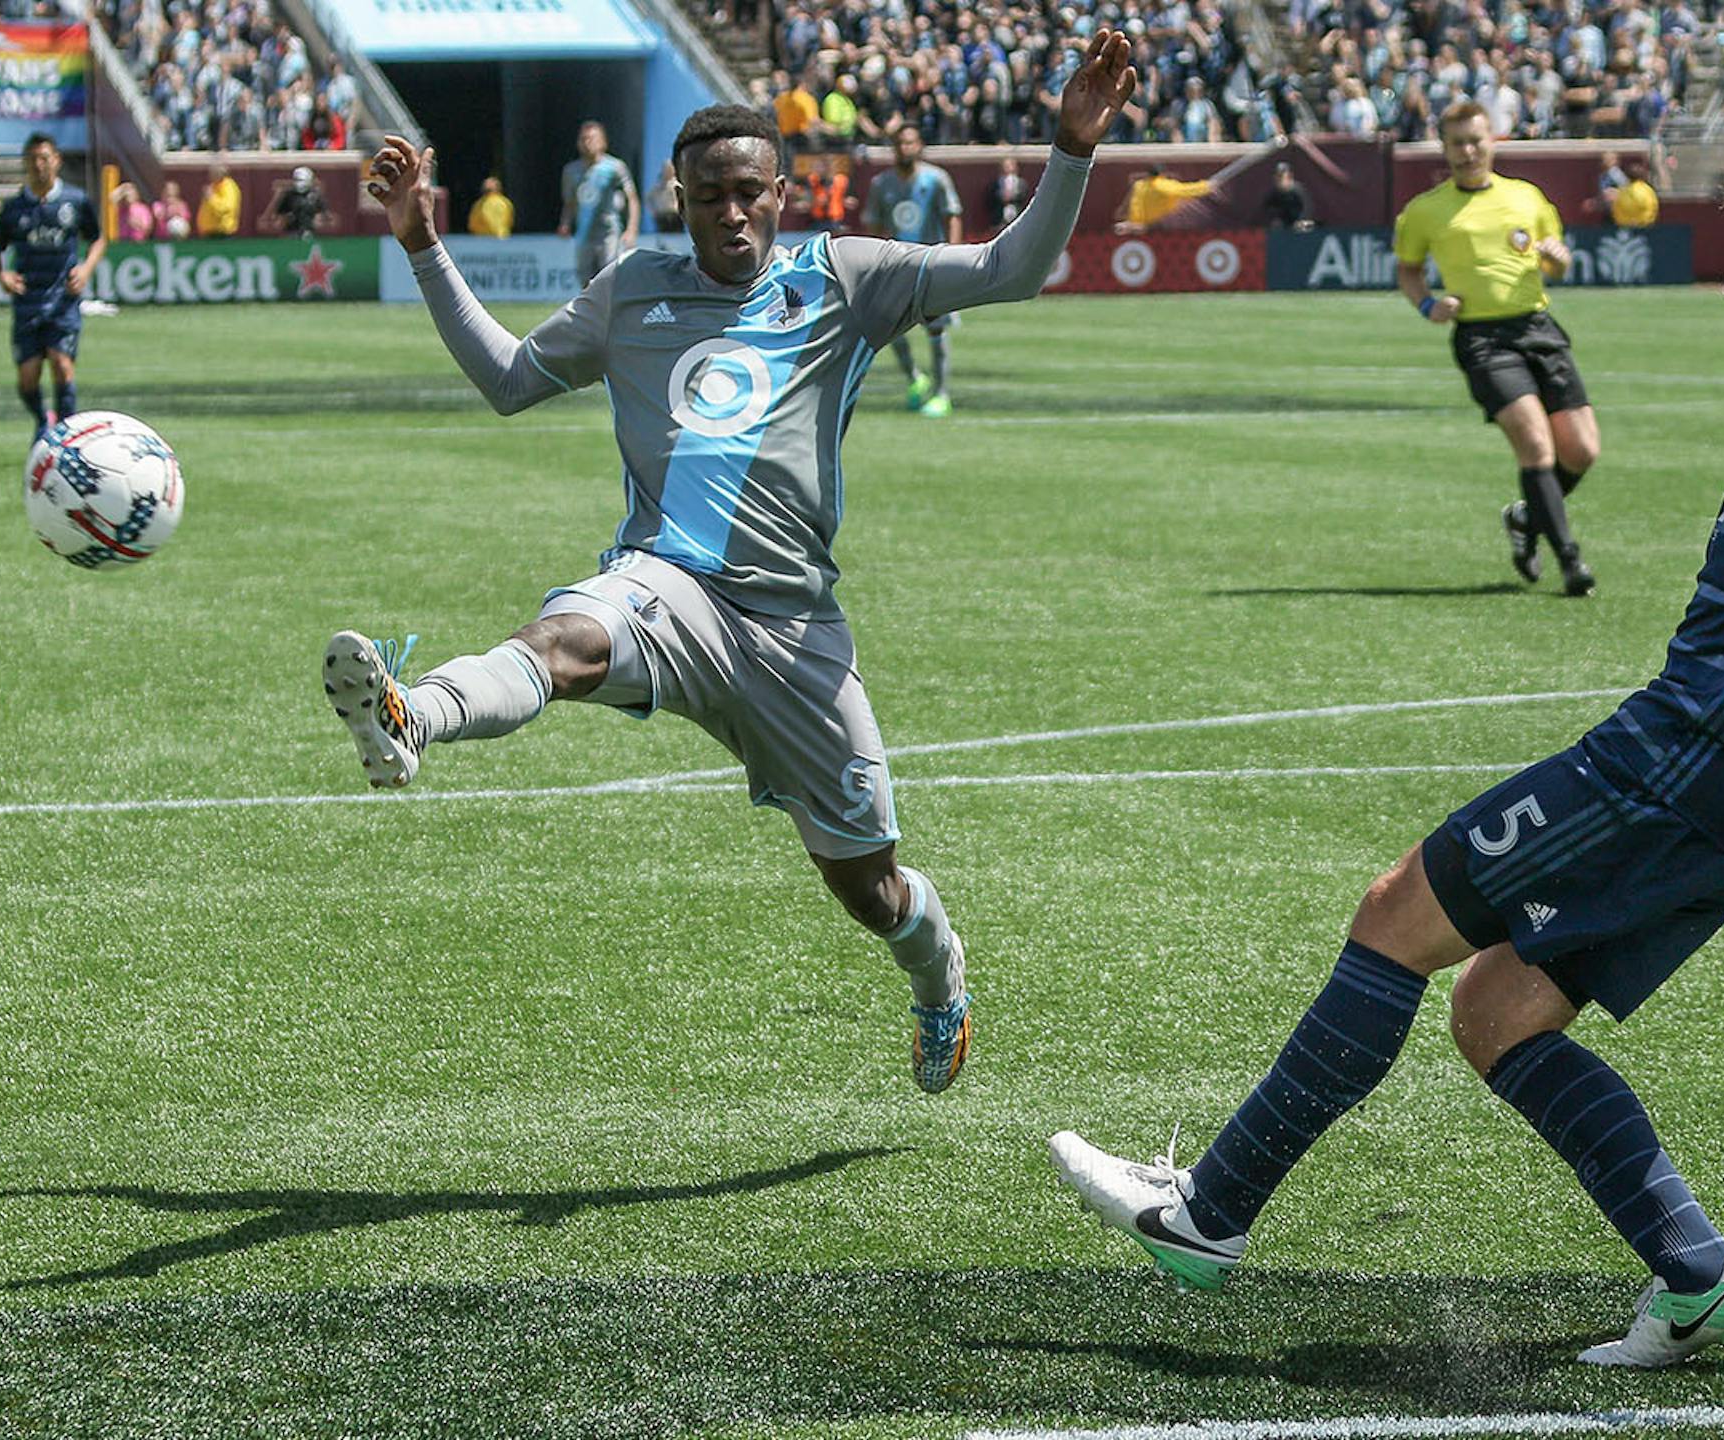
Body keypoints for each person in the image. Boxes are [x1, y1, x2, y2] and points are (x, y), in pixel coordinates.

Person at [1051, 148, 1724, 1371]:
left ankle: (1206, 1216)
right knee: (1496, 1008)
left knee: (1395, 918)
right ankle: (1697, 1276)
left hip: (1681, 768)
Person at [340, 33, 1138, 1096]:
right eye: (711, 195)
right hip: (665, 587)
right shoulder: (632, 290)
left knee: (867, 886)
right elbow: (509, 380)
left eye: (751, 195)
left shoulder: (843, 277)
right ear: (676, 194)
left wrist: (1071, 148)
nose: (732, 215)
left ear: (781, 193)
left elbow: (1013, 269)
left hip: (793, 631)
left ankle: (937, 972)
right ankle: (413, 716)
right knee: (563, 640)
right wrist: (423, 244)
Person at [1395, 100, 1601, 597]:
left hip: (1537, 327)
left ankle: (1526, 518)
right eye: (1457, 143)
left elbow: (1558, 262)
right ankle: (1570, 561)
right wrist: (1426, 305)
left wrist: (1556, 259)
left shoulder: (1527, 198)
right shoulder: (1425, 211)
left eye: (1475, 140)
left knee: (1582, 450)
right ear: (1443, 149)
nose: (1467, 151)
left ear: (1493, 141)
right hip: (1482, 339)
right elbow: (1408, 269)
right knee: (1535, 444)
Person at [0, 132, 104, 444]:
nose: (39, 165)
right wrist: (3, 276)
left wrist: (86, 268)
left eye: (45, 158)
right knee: (27, 377)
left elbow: (98, 238)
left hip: (63, 298)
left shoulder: (75, 201)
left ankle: (66, 435)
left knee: (62, 365)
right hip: (28, 299)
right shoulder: (14, 207)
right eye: (33, 160)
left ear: (57, 161)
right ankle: (42, 419)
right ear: (25, 164)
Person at [864, 123, 963, 417]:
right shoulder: (881, 184)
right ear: (894, 148)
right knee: (888, 328)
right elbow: (874, 224)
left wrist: (952, 255)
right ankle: (915, 379)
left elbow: (953, 215)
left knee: (936, 329)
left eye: (911, 143)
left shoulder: (936, 179)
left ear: (919, 146)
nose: (905, 148)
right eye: (900, 143)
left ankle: (942, 394)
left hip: (931, 265)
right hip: (897, 268)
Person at [557, 121, 639, 287]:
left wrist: (631, 229)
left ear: (603, 142)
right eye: (584, 139)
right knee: (586, 284)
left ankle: (611, 313)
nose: (588, 143)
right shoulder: (571, 171)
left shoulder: (615, 167)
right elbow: (570, 202)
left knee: (609, 280)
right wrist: (565, 223)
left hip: (608, 233)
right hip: (584, 235)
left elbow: (632, 198)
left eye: (592, 138)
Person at [270, 165, 328, 239]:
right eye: (295, 180)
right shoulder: (288, 195)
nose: (297, 183)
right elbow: (279, 217)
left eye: (300, 180)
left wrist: (311, 223)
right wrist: (288, 219)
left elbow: (320, 218)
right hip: (291, 233)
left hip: (310, 234)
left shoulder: (316, 196)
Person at [1609, 157, 1659, 227]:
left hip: (1626, 228)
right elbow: (1652, 208)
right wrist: (1642, 222)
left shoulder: (1622, 191)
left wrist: (1626, 222)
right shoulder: (1648, 190)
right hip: (1644, 227)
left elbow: (1616, 210)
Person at [198, 165, 242, 237]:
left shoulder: (229, 187)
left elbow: (225, 209)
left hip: (222, 234)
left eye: (213, 172)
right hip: (209, 233)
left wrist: (211, 197)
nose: (210, 175)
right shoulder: (213, 186)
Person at [1262, 161, 1308, 229]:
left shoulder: (1298, 189)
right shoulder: (1274, 192)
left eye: (1284, 174)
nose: (1281, 177)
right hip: (1282, 223)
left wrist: (1301, 219)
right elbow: (1268, 207)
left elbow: (1306, 207)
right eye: (1279, 175)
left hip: (1299, 220)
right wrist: (1276, 218)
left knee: (1307, 226)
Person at [986, 157, 1029, 229]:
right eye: (1006, 166)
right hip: (999, 219)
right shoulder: (995, 184)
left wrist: (1012, 197)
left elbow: (1024, 198)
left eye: (1010, 166)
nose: (1008, 168)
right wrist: (1000, 197)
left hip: (1017, 217)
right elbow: (989, 200)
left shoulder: (1021, 183)